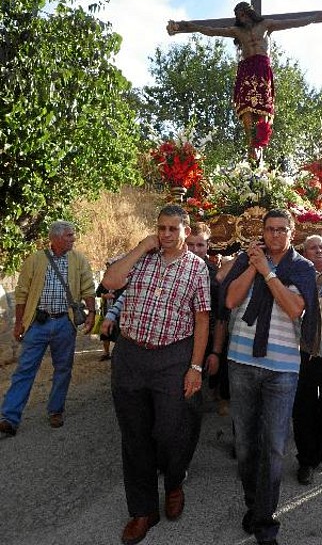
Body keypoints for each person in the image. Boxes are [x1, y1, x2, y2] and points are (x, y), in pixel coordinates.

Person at [101, 204, 210, 545]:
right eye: (160, 228)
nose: (165, 235)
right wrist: (140, 248)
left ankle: (174, 482)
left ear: (186, 231)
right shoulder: (140, 258)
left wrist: (195, 367)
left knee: (170, 431)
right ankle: (142, 511)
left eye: (172, 229)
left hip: (173, 357)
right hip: (131, 354)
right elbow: (110, 281)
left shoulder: (196, 269)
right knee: (134, 436)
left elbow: (202, 319)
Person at [221, 208, 318, 545]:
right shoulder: (247, 259)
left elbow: (295, 309)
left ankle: (264, 521)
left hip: (283, 368)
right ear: (262, 232)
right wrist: (254, 266)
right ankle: (255, 503)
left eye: (282, 230)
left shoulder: (302, 268)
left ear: (292, 233)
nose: (275, 235)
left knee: (274, 447)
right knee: (246, 445)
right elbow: (231, 299)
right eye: (270, 229)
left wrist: (269, 273)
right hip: (241, 362)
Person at [167, 2, 322, 163]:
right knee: (246, 107)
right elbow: (211, 31)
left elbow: (295, 22)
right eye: (239, 15)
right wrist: (188, 26)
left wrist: (321, 16)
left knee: (262, 108)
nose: (242, 17)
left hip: (262, 67)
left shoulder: (266, 25)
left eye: (244, 13)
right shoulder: (236, 31)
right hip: (246, 67)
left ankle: (259, 144)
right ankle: (250, 145)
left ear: (250, 12)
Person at [0, 221, 95, 436]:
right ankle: (9, 418)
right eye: (69, 236)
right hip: (37, 324)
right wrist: (19, 323)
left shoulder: (78, 260)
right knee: (25, 370)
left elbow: (88, 287)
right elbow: (22, 292)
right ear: (56, 238)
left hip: (64, 323)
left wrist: (92, 313)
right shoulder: (35, 260)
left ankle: (56, 410)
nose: (73, 239)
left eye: (73, 235)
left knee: (63, 369)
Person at [292, 235, 322, 486]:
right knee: (303, 408)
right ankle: (306, 460)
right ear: (304, 252)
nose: (318, 250)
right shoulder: (299, 275)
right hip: (304, 351)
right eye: (312, 247)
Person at [186, 222, 229, 413]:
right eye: (190, 245)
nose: (195, 250)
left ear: (207, 246)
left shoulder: (215, 274)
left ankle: (219, 394)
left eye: (200, 245)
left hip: (210, 331)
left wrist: (216, 351)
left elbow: (221, 314)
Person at [96, 256, 125, 361]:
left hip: (121, 313)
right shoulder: (106, 280)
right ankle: (106, 353)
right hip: (107, 311)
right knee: (106, 334)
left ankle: (119, 355)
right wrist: (105, 296)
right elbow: (98, 293)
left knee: (119, 335)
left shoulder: (125, 280)